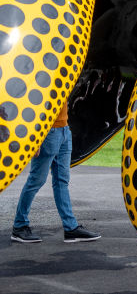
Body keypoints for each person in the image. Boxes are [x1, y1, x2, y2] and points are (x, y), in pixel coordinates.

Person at [10, 102, 100, 244]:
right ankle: (19, 227)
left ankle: (70, 228)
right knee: (36, 180)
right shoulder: (40, 78)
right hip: (47, 133)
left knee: (61, 181)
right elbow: (32, 102)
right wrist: (35, 137)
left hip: (64, 130)